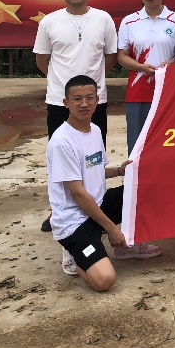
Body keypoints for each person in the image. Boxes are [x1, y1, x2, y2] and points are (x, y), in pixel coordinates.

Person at [48, 75, 161, 291]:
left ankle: (128, 246)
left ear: (97, 100)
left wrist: (119, 171)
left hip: (98, 204)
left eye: (90, 98)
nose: (84, 104)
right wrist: (111, 228)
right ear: (66, 103)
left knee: (146, 192)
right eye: (77, 99)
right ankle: (75, 255)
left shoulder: (95, 130)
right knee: (104, 280)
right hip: (75, 220)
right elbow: (77, 193)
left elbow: (95, 169)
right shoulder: (62, 142)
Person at [34, 0, 118, 232]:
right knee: (60, 159)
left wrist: (89, 90)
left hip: (95, 102)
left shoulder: (103, 19)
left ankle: (96, 206)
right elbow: (42, 60)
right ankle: (58, 212)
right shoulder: (49, 22)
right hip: (59, 102)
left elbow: (111, 56)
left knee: (93, 157)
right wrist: (66, 90)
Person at [116, 0, 175, 156]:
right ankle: (135, 175)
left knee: (167, 142)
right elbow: (122, 55)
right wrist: (140, 67)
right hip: (138, 90)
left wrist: (169, 64)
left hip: (168, 90)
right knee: (137, 143)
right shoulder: (129, 22)